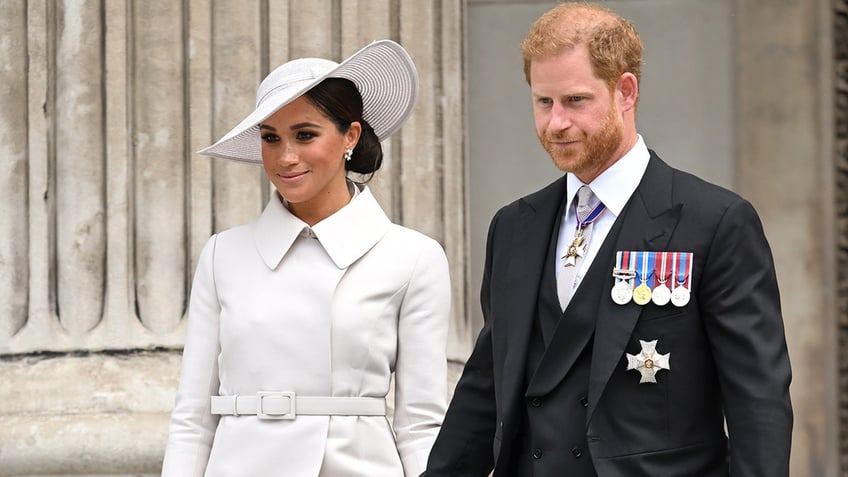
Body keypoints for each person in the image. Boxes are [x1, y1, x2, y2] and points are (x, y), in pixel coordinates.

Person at [423, 3, 792, 477]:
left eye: (575, 100)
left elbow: (757, 400)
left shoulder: (716, 222)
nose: (556, 123)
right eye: (543, 102)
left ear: (625, 91)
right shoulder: (513, 226)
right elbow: (484, 387)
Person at [161, 40, 450, 477]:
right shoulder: (224, 254)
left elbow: (421, 424)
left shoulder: (412, 257)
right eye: (270, 138)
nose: (286, 157)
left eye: (305, 135)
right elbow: (193, 420)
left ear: (350, 136)